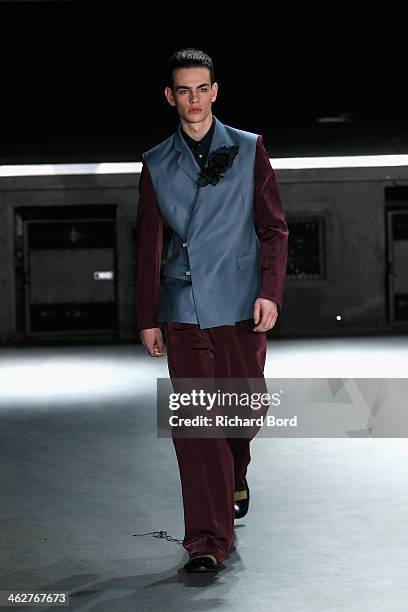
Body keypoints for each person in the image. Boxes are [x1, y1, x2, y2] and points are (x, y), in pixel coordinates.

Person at [134, 48, 289, 573]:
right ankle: (206, 540)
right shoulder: (156, 162)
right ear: (170, 96)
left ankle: (236, 470)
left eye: (202, 89)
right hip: (184, 302)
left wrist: (270, 291)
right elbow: (149, 244)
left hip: (243, 303)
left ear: (215, 91)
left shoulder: (249, 149)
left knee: (242, 414)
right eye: (184, 90)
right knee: (198, 422)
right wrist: (147, 316)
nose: (194, 99)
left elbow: (273, 228)